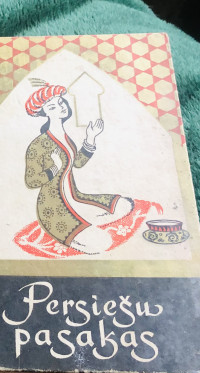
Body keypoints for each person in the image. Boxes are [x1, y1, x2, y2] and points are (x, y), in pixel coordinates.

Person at [24, 83, 133, 254]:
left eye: (60, 102)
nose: (60, 107)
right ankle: (81, 228)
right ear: (45, 113)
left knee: (124, 205)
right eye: (52, 107)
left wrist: (90, 137)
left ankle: (86, 222)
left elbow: (77, 163)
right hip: (53, 206)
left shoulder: (66, 137)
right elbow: (31, 181)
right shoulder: (38, 145)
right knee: (102, 243)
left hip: (76, 197)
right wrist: (54, 168)